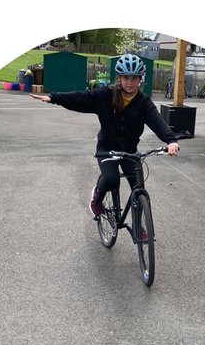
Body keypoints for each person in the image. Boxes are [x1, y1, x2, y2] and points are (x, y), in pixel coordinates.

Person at [31, 53, 180, 221]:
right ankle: (97, 198)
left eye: (134, 78)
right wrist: (53, 97)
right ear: (119, 78)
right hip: (107, 148)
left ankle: (141, 227)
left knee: (139, 190)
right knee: (111, 179)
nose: (130, 82)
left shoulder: (143, 102)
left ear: (140, 79)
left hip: (129, 151)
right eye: (126, 78)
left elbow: (157, 121)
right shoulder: (105, 95)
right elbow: (80, 98)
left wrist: (171, 140)